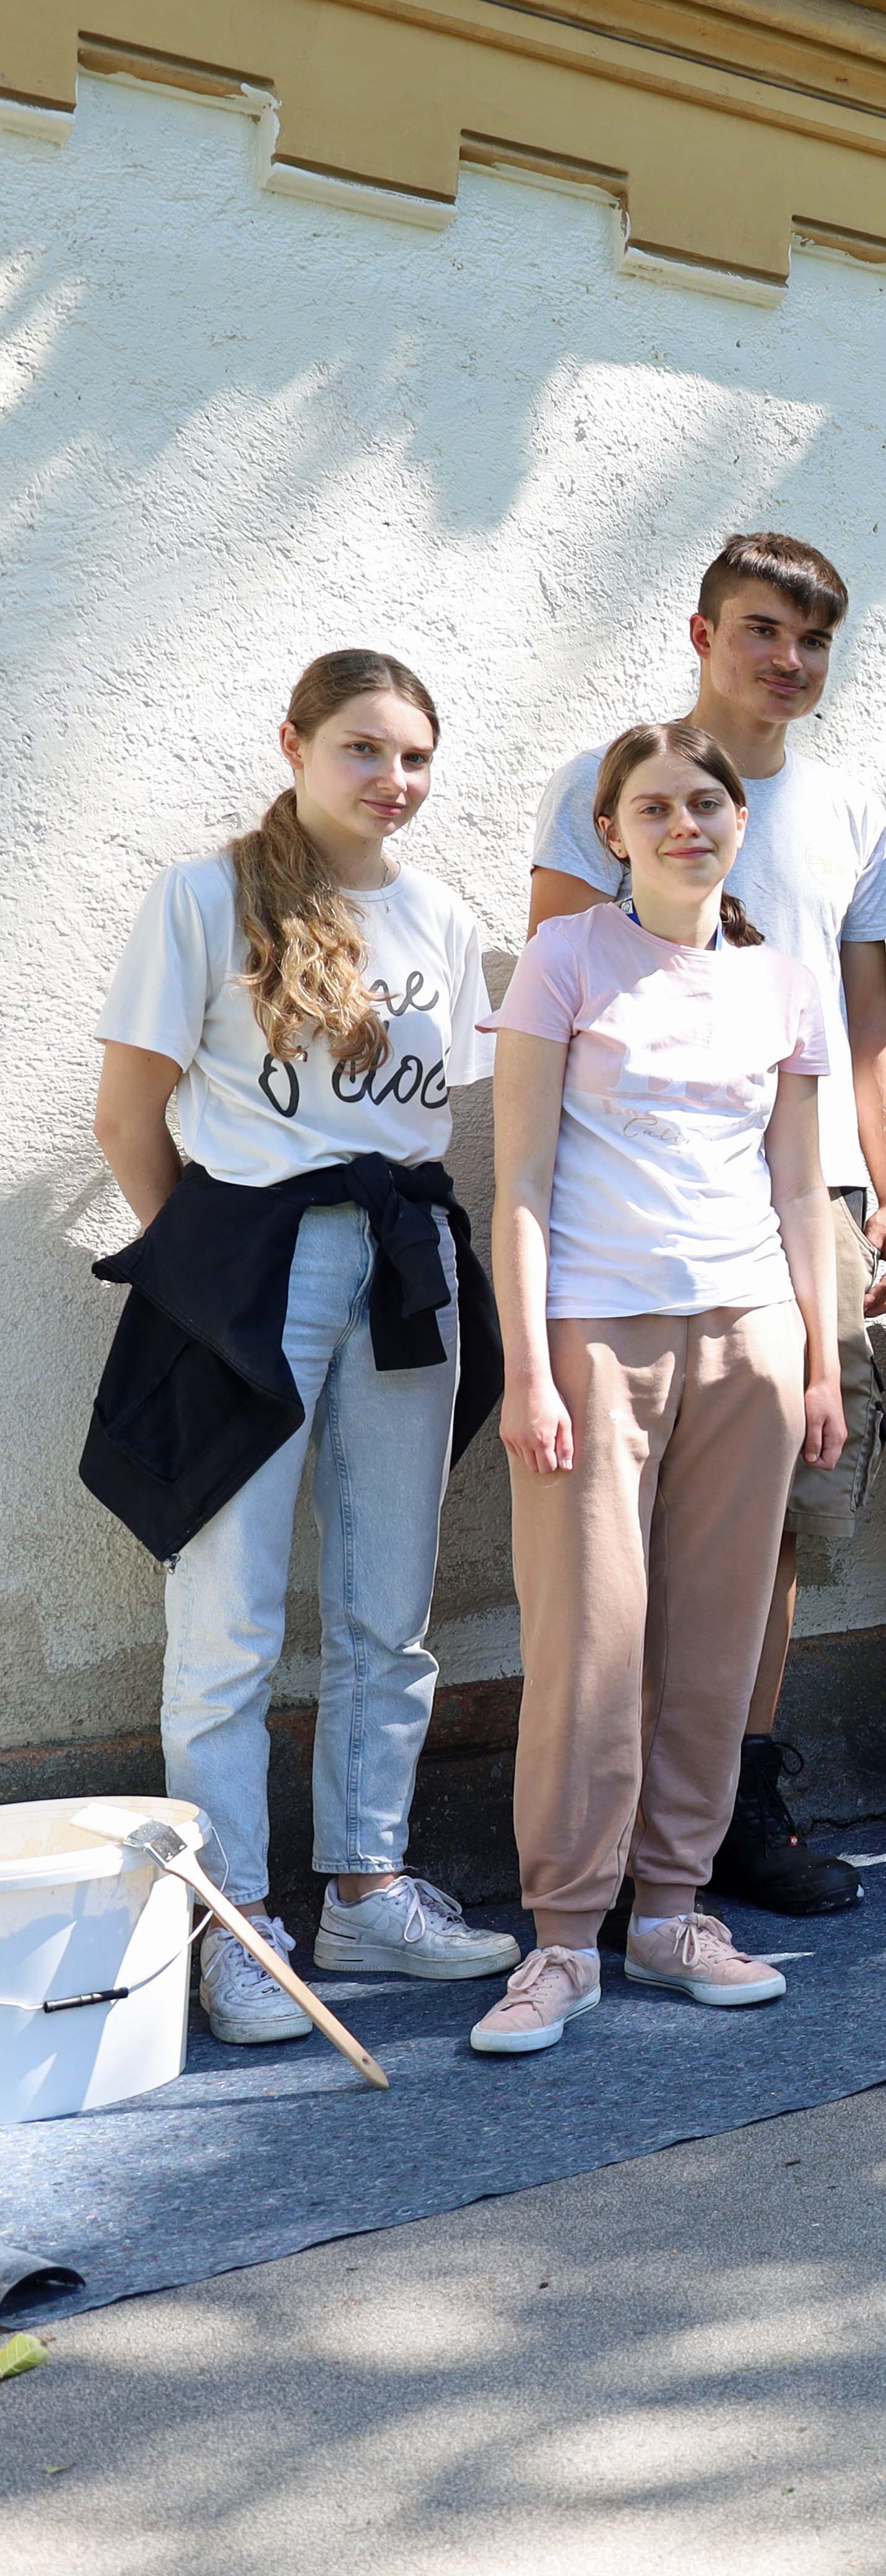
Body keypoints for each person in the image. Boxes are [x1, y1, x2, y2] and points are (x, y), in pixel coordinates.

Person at [86, 649, 518, 2045]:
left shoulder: (443, 916)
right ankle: (231, 1923)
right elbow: (126, 1114)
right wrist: (206, 1269)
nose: (393, 782)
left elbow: (431, 1116)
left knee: (389, 1603)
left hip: (404, 1261)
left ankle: (367, 1886)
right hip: (249, 1261)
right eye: (362, 750)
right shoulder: (205, 896)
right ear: (294, 744)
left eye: (413, 758)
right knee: (229, 1617)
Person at [524, 532, 886, 1919]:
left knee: (777, 1529)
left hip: (807, 1208)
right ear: (703, 634)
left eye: (811, 641)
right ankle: (602, 1860)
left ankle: (735, 1808)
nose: (787, 661)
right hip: (631, 1234)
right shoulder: (619, 784)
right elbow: (568, 1002)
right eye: (761, 632)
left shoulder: (851, 808)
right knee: (612, 1568)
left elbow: (870, 1020)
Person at [472, 722, 844, 2053]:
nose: (684, 822)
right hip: (592, 1341)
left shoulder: (784, 981)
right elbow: (515, 1184)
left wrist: (821, 1354)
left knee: (718, 1636)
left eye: (706, 802)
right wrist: (527, 1369)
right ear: (613, 832)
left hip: (751, 1334)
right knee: (591, 1644)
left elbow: (802, 1187)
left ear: (739, 823)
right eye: (653, 806)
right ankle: (564, 1935)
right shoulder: (567, 957)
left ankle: (673, 1910)